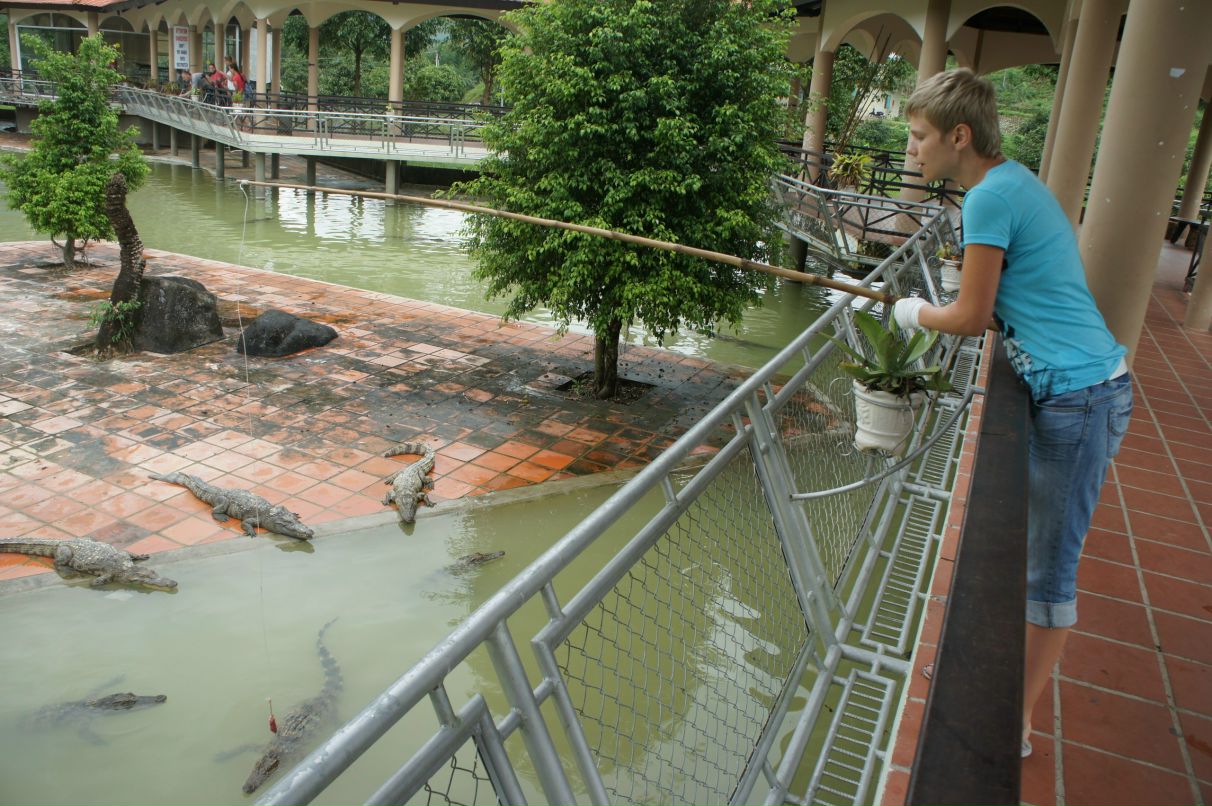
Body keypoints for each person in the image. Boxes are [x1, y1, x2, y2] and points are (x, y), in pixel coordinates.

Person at [890, 69, 1132, 760]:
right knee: (1037, 556)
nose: (911, 151)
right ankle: (1013, 700)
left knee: (1050, 571)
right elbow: (1002, 298)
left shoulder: (988, 198)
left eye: (918, 137)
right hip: (1086, 388)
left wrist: (912, 311)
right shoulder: (1013, 181)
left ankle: (1014, 719)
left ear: (958, 136)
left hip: (1079, 397)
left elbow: (968, 316)